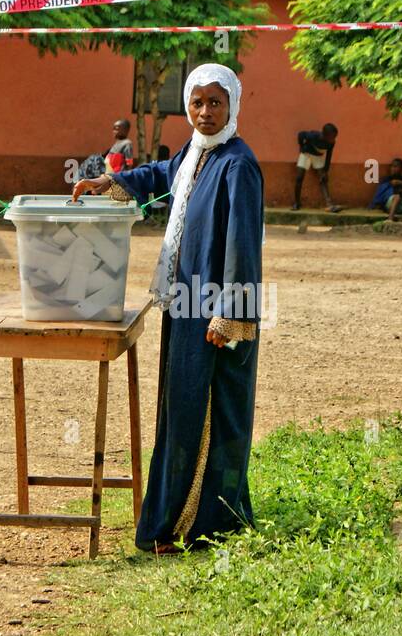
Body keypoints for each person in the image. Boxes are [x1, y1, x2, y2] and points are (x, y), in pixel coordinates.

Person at [72, 64, 263, 554]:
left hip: (215, 315)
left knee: (208, 413)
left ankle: (202, 525)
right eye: (196, 102)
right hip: (184, 305)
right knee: (181, 409)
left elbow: (243, 244)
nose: (204, 112)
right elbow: (160, 175)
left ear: (233, 105)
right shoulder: (195, 154)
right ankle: (174, 519)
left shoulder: (237, 165)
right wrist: (106, 183)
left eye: (215, 102)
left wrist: (232, 316)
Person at [292, 123, 342, 212]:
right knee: (299, 177)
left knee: (323, 179)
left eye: (335, 137)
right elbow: (300, 134)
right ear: (324, 135)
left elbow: (329, 156)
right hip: (306, 153)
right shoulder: (313, 135)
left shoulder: (331, 143)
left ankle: (329, 204)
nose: (334, 139)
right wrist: (301, 147)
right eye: (332, 137)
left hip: (318, 156)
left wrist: (325, 170)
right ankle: (297, 202)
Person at [369, 158, 402, 222]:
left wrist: (401, 183)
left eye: (396, 166)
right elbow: (383, 193)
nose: (393, 169)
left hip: (400, 204)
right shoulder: (387, 179)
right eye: (392, 166)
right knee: (397, 197)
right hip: (389, 205)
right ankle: (390, 219)